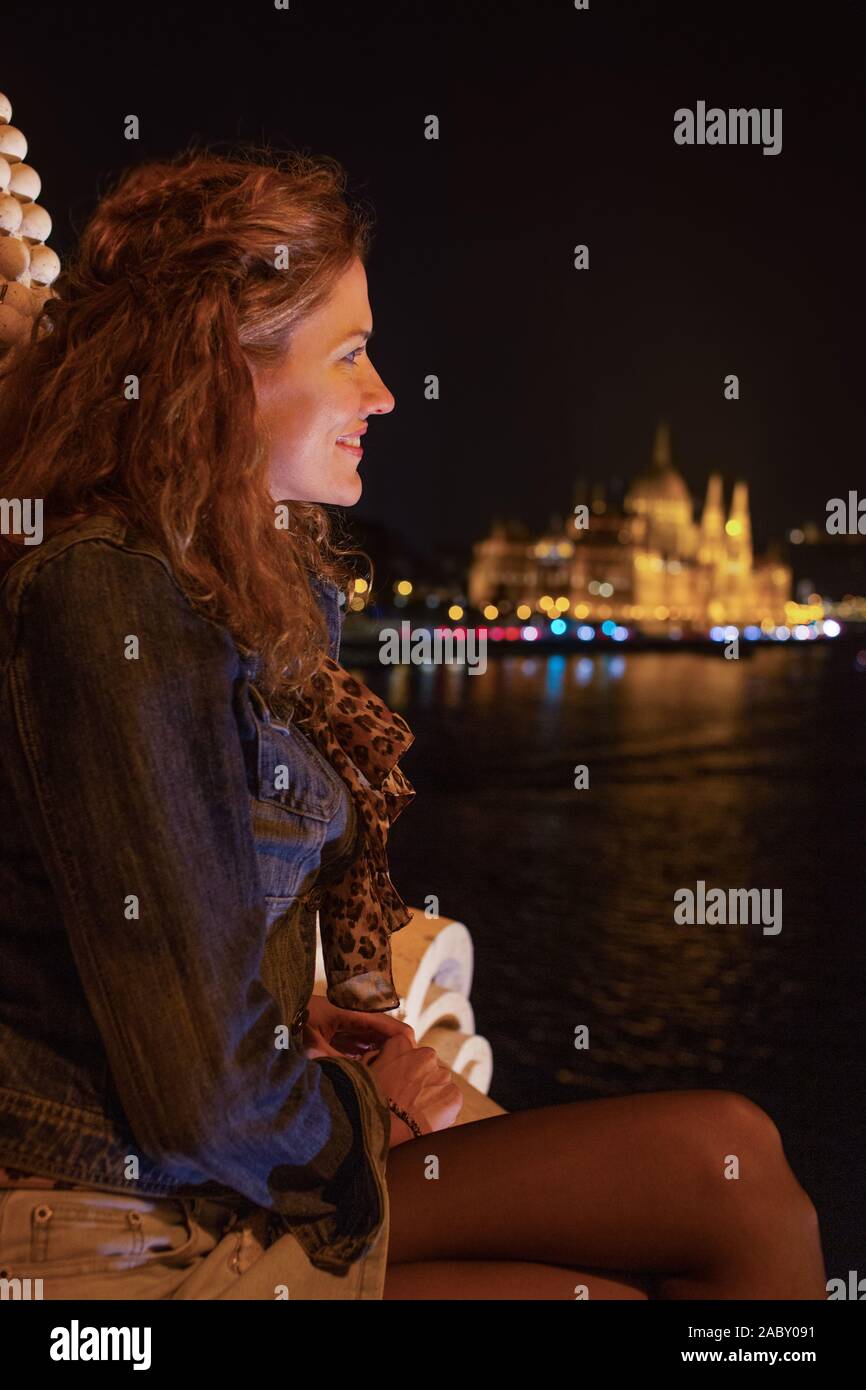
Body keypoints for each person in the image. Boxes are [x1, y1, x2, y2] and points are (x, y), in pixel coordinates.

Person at [0, 148, 826, 1301]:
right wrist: (381, 1095)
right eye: (348, 354)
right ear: (219, 370)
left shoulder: (207, 594)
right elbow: (204, 1096)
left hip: (212, 1172)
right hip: (133, 1224)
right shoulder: (111, 599)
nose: (383, 392)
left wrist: (317, 1030)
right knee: (693, 1202)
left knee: (723, 1164)